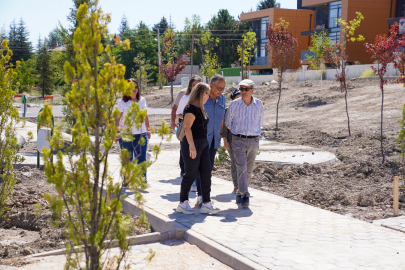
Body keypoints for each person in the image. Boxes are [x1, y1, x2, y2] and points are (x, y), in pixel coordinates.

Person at [176, 82, 220, 215]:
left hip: (203, 144)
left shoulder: (201, 107)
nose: (208, 95)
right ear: (201, 93)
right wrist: (192, 146)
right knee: (189, 174)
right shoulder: (190, 108)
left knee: (206, 173)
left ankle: (206, 203)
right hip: (192, 145)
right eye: (207, 93)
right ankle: (182, 203)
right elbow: (187, 127)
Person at [225, 79, 264, 208]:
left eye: (246, 89)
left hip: (253, 140)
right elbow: (228, 123)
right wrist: (237, 133)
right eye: (241, 89)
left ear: (252, 90)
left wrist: (254, 135)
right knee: (241, 167)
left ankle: (239, 194)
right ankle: (245, 195)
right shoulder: (234, 104)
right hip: (238, 140)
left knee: (248, 170)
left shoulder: (259, 104)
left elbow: (260, 122)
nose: (243, 92)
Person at [194, 75, 226, 207]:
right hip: (201, 139)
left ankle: (205, 195)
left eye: (223, 88)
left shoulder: (222, 99)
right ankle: (201, 196)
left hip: (214, 140)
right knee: (199, 168)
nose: (221, 91)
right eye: (219, 88)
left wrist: (221, 134)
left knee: (208, 168)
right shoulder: (201, 98)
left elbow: (222, 117)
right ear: (211, 86)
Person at [116, 78, 151, 187]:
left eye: (136, 87)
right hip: (126, 135)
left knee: (142, 158)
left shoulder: (142, 100)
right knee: (128, 159)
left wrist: (148, 129)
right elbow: (117, 118)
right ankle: (126, 180)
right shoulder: (122, 102)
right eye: (131, 87)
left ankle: (142, 180)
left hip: (141, 134)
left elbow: (145, 115)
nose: (134, 89)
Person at [172, 75, 202, 177]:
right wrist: (188, 117)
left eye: (198, 85)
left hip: (199, 129)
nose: (196, 87)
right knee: (185, 149)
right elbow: (178, 113)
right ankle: (184, 169)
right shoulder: (185, 98)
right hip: (186, 128)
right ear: (190, 86)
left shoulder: (204, 98)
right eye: (194, 85)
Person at [222, 89, 241, 194]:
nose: (239, 99)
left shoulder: (245, 109)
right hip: (231, 140)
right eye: (237, 97)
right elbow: (225, 126)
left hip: (243, 140)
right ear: (233, 98)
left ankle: (243, 185)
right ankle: (236, 185)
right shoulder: (228, 110)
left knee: (243, 163)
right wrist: (225, 140)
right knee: (235, 162)